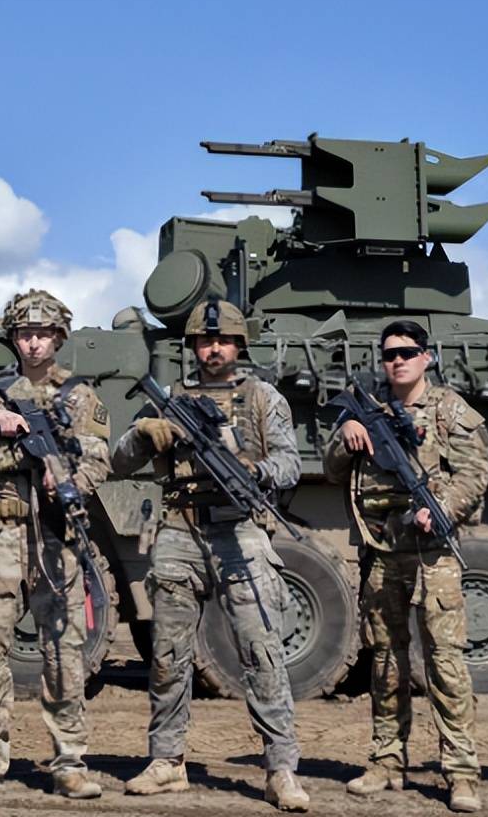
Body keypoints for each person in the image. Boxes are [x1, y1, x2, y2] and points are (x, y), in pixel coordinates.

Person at [112, 298, 309, 812]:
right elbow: (119, 460)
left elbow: (290, 463)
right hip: (179, 531)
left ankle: (281, 769)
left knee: (262, 653)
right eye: (205, 340)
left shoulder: (263, 397)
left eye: (222, 340)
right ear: (193, 346)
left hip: (241, 531)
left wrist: (255, 472)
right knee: (168, 655)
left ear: (239, 345)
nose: (214, 348)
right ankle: (167, 761)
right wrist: (143, 433)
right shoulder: (169, 399)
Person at [0, 289, 111, 800]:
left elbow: (100, 457)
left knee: (64, 653)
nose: (34, 343)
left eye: (43, 334)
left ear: (59, 337)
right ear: (13, 339)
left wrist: (71, 481)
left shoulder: (79, 395)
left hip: (56, 533)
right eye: (25, 334)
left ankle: (69, 763)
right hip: (0, 536)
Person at [322, 320, 488, 812]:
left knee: (446, 662)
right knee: (386, 660)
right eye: (390, 354)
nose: (398, 361)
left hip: (433, 552)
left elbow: (474, 475)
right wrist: (346, 432)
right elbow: (333, 469)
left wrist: (442, 509)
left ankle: (461, 773)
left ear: (427, 357)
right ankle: (386, 761)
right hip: (384, 549)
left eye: (408, 352)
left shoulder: (450, 409)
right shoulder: (365, 407)